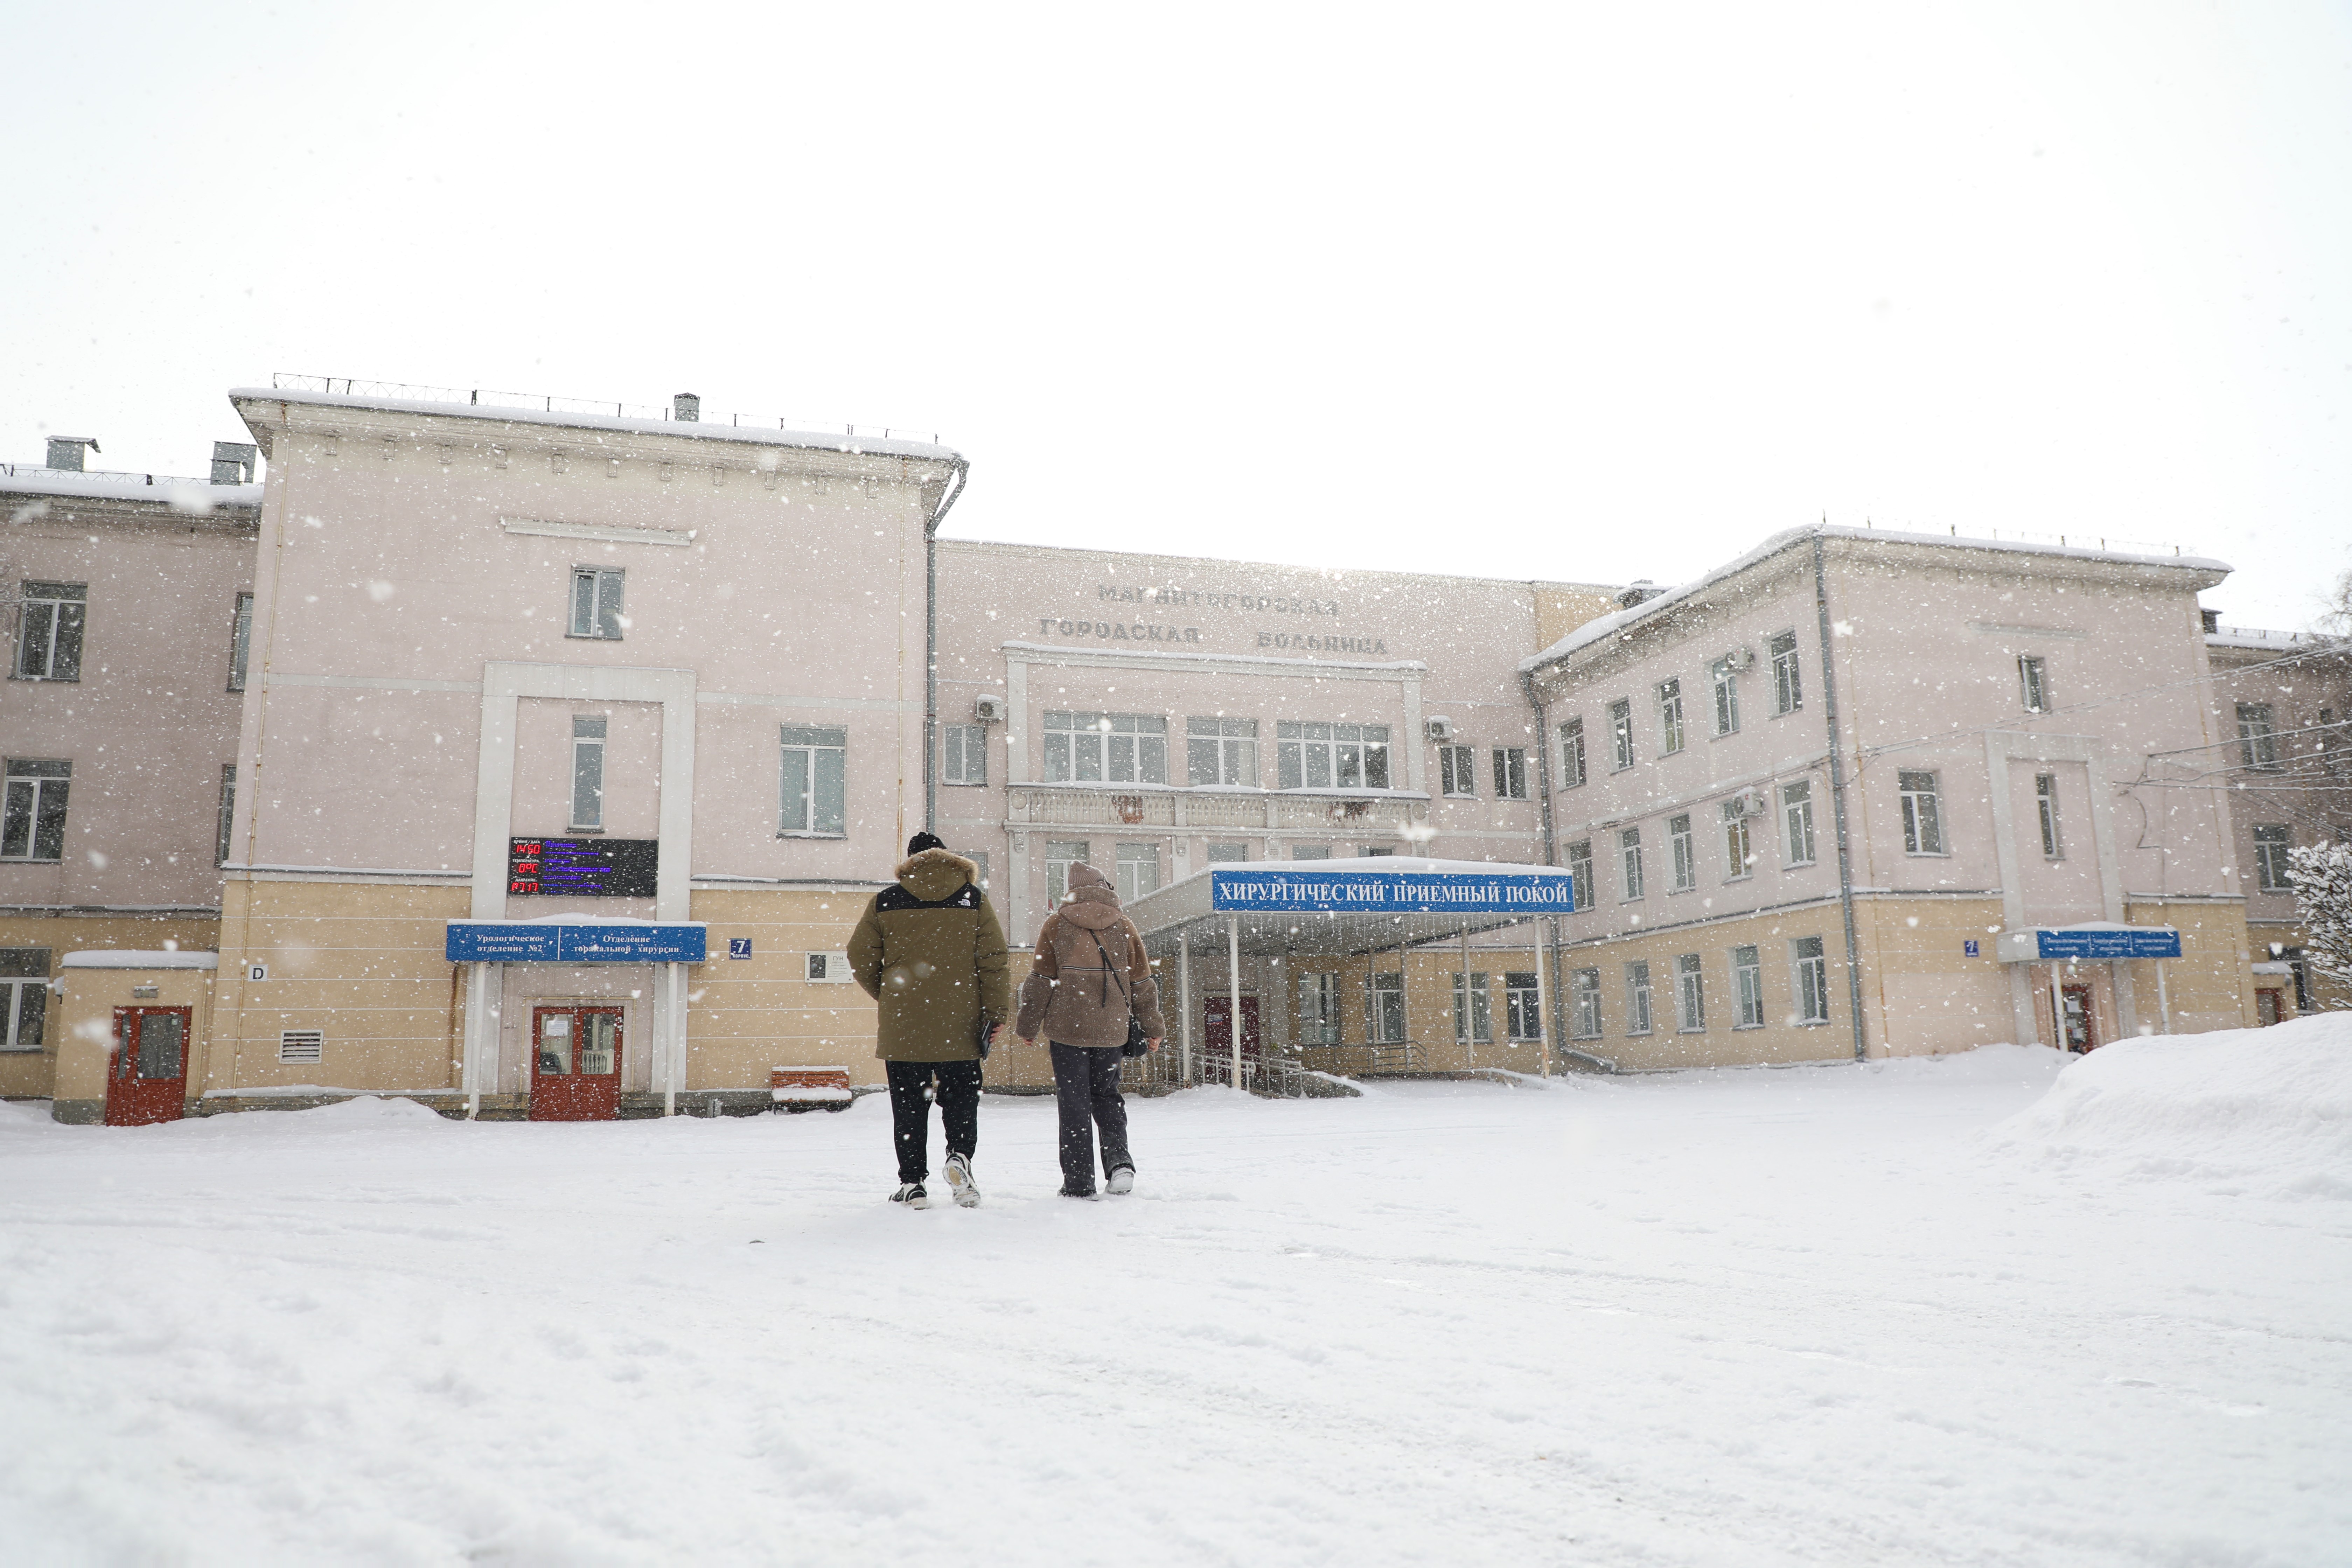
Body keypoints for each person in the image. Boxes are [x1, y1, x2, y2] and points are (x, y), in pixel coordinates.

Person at [847, 831, 1011, 1210]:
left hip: (904, 1027)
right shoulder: (973, 900)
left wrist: (888, 994)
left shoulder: (886, 901)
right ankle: (959, 1160)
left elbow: (859, 955)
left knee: (908, 1106)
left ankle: (912, 1184)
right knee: (960, 1102)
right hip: (961, 1025)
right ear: (947, 857)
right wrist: (995, 1013)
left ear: (909, 863)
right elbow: (994, 961)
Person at [1016, 862, 1165, 1198]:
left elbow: (1039, 980)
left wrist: (1028, 1025)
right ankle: (1119, 1163)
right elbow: (1142, 982)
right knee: (1107, 1096)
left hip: (1067, 1028)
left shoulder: (1055, 924)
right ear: (1104, 886)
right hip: (1111, 1030)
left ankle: (1079, 1181)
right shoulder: (1124, 924)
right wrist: (1153, 1026)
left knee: (1074, 1104)